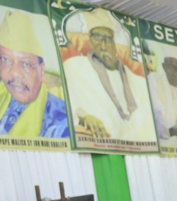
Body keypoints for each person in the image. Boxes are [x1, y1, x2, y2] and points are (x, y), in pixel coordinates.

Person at [60, 8, 153, 142]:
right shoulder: (75, 66)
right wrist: (84, 116)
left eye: (107, 39)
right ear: (90, 42)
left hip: (134, 140)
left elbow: (148, 117)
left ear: (115, 43)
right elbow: (70, 103)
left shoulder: (137, 81)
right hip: (102, 137)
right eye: (96, 38)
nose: (102, 46)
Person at [0, 9, 68, 138]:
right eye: (6, 60)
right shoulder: (3, 92)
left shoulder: (60, 121)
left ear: (42, 70)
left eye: (25, 64)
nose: (14, 73)